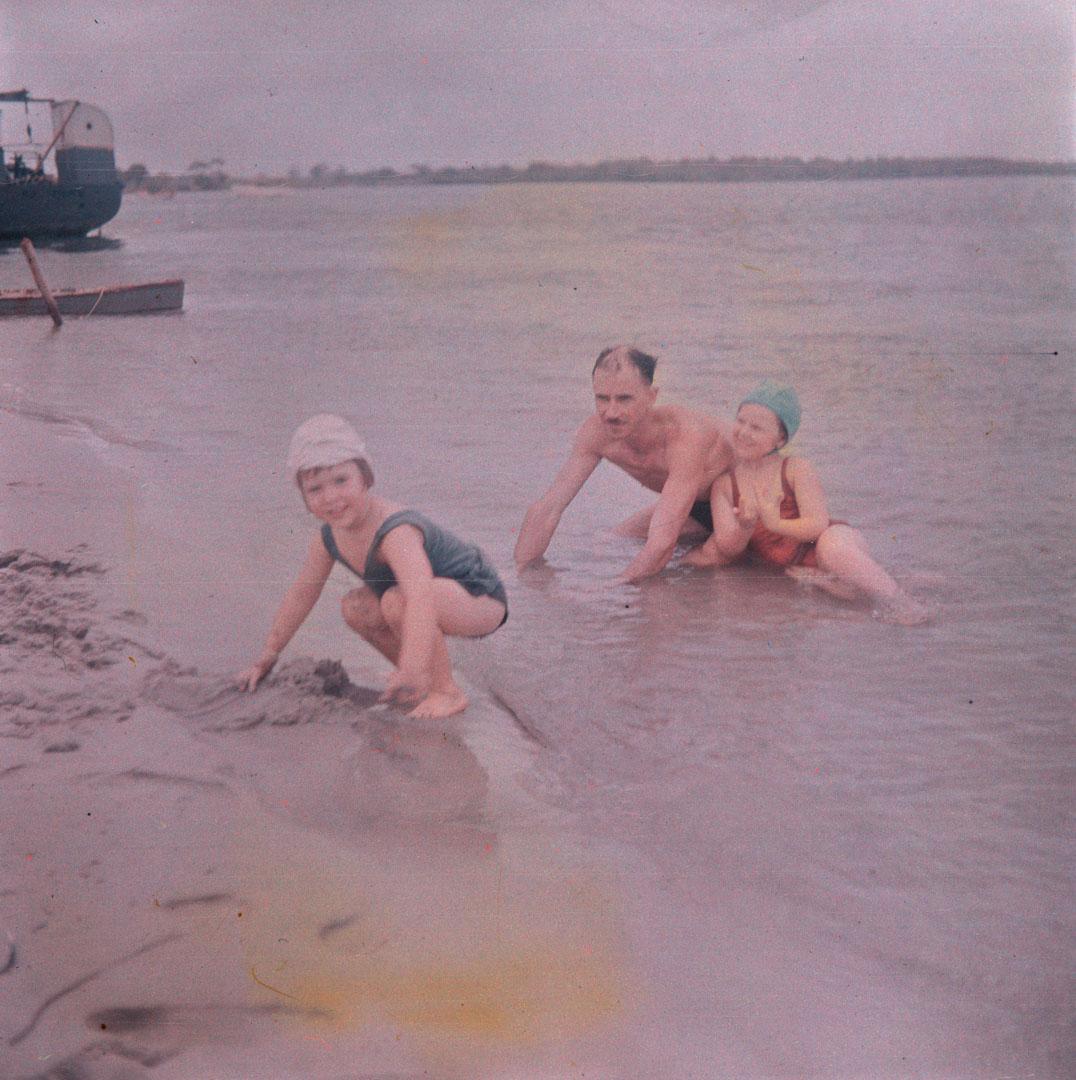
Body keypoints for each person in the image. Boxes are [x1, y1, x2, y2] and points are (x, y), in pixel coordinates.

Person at [237, 415, 508, 718]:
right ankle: (421, 685)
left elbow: (420, 597)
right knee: (356, 607)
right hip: (429, 601)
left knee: (396, 601)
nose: (331, 497)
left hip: (479, 598)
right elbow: (301, 595)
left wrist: (413, 665)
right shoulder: (328, 538)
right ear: (304, 498)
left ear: (366, 478)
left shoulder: (395, 532)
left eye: (341, 480)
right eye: (315, 489)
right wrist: (267, 657)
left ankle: (446, 692)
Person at [682, 381, 929, 623]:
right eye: (740, 421)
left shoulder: (796, 469)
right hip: (792, 562)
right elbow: (727, 546)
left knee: (834, 550)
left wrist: (774, 522)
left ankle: (900, 600)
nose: (744, 432)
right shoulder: (725, 485)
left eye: (756, 428)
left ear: (780, 439)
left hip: (825, 539)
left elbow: (817, 525)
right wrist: (746, 526)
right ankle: (881, 580)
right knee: (848, 590)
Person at [514, 345, 734, 583]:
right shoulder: (596, 433)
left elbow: (662, 543)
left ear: (652, 396)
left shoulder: (687, 436)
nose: (611, 412)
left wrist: (613, 587)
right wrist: (519, 574)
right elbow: (548, 509)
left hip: (751, 503)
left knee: (690, 564)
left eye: (624, 399)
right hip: (700, 506)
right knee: (614, 539)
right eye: (602, 398)